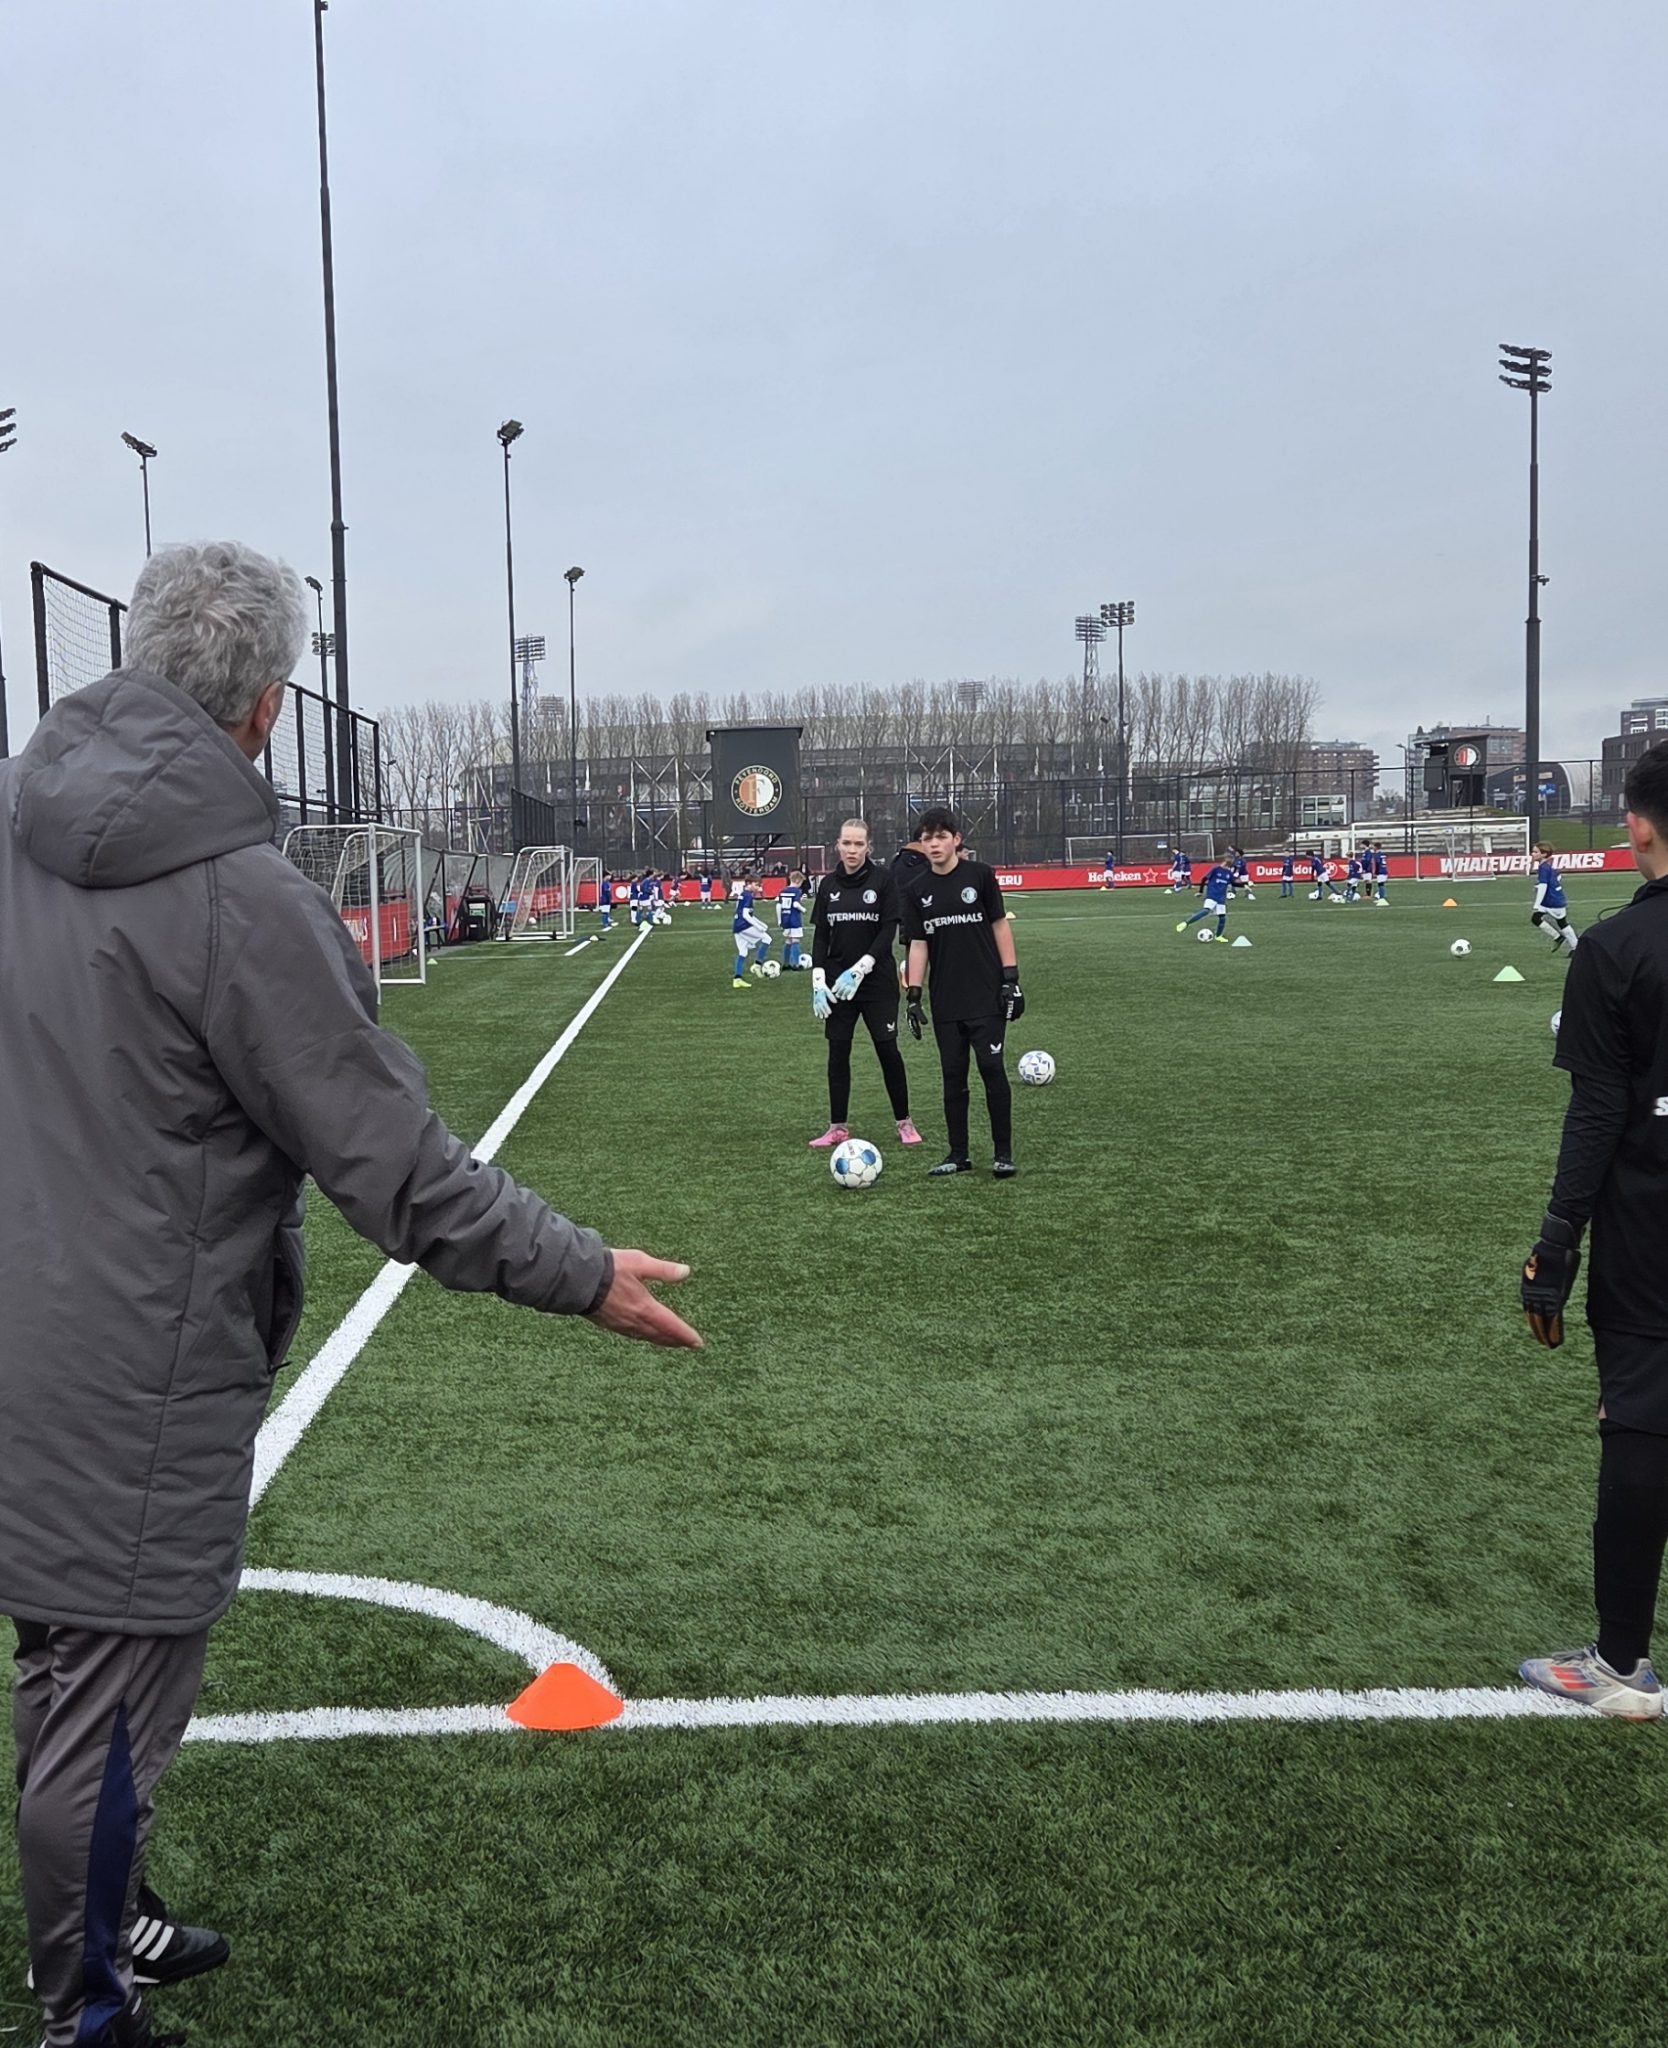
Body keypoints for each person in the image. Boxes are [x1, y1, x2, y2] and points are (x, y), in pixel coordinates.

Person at [0, 542, 702, 2048]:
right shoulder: (242, 899)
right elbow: (395, 1166)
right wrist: (582, 1270)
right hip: (128, 1358)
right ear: (265, 704)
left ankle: (110, 1921)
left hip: (29, 1320)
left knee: (62, 1656)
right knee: (104, 1705)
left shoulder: (16, 819)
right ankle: (85, 2015)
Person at [1518, 742, 1668, 1720]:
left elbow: (1598, 1111)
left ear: (1637, 825)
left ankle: (1621, 1666)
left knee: (1646, 1416)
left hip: (1650, 1220)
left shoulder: (1615, 949)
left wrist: (1555, 1243)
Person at [899, 807, 1021, 1179]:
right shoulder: (916, 889)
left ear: (956, 839)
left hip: (986, 994)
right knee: (953, 1075)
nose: (934, 844)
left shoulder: (980, 876)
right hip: (946, 998)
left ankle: (1003, 1154)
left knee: (991, 1068)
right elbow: (918, 943)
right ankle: (959, 1154)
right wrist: (914, 994)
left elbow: (999, 926)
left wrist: (1011, 978)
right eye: (927, 838)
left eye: (941, 836)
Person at [807, 820, 920, 1150]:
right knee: (837, 1052)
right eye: (847, 843)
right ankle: (837, 1127)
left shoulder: (883, 880)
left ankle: (904, 1121)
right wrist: (818, 980)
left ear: (868, 847)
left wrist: (860, 969)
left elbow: (887, 932)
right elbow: (822, 935)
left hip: (876, 984)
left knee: (887, 1050)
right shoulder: (828, 885)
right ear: (837, 845)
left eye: (859, 844)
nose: (852, 850)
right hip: (837, 986)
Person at [1531, 841, 1579, 957]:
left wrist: (1537, 904)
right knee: (1538, 919)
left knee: (1562, 924)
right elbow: (1557, 877)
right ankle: (1569, 944)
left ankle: (1569, 944)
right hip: (1553, 899)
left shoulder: (1544, 867)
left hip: (1552, 901)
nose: (1532, 854)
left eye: (1535, 852)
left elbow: (1544, 885)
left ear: (1544, 854)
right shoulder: (1547, 865)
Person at [1177, 858, 1233, 941]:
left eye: (1228, 865)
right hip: (1212, 894)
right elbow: (1204, 879)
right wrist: (1200, 891)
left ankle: (1218, 936)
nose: (1226, 866)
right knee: (1206, 910)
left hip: (1221, 897)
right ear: (1223, 862)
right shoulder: (1216, 869)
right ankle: (1186, 923)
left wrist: (1245, 885)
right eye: (1226, 864)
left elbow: (1234, 882)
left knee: (1222, 917)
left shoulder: (1229, 873)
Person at [730, 875, 771, 986]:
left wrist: (761, 924)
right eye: (756, 885)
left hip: (737, 926)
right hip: (744, 926)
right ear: (749, 884)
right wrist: (758, 927)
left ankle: (737, 979)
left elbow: (745, 914)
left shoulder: (743, 894)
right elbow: (745, 915)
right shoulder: (748, 896)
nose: (758, 888)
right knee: (767, 939)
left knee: (743, 952)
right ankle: (757, 964)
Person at [778, 870, 807, 970]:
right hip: (794, 919)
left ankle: (786, 964)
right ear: (798, 880)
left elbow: (779, 906)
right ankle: (796, 964)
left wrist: (779, 920)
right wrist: (803, 909)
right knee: (795, 940)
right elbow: (795, 904)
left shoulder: (783, 891)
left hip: (785, 918)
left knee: (788, 940)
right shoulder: (797, 891)